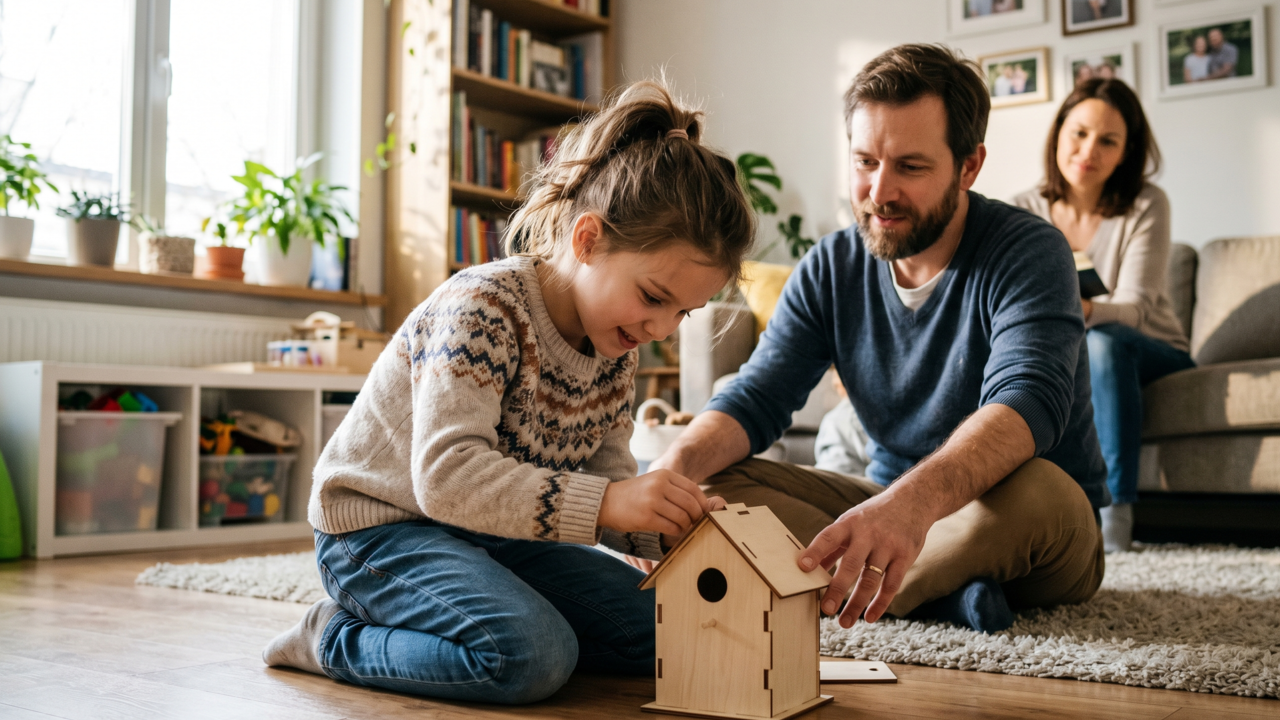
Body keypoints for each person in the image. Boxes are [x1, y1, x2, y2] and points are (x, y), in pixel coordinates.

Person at [261, 80, 755, 704]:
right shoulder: (484, 307)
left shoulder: (615, 348)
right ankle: (334, 637)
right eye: (654, 297)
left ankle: (468, 614)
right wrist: (609, 502)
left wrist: (667, 525)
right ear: (587, 240)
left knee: (669, 630)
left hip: (499, 533)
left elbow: (605, 486)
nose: (661, 329)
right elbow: (446, 479)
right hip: (381, 531)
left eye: (682, 312)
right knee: (532, 655)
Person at [651, 44, 1107, 635]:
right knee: (706, 487)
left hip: (1024, 520)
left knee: (1041, 490)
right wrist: (670, 472)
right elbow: (757, 396)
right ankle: (939, 596)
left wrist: (912, 506)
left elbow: (1028, 401)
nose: (879, 191)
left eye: (910, 167)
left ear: (969, 167)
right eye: (865, 161)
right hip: (882, 501)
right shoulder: (830, 265)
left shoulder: (1031, 251)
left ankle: (852, 586)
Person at [1015, 79, 1193, 552]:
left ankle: (1114, 518)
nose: (1088, 150)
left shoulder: (1146, 204)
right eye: (1079, 133)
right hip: (1068, 349)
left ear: (1126, 152)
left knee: (1103, 342)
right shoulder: (1022, 208)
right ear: (1058, 132)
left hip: (1150, 349)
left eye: (1108, 141)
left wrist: (1069, 309)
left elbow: (1134, 309)